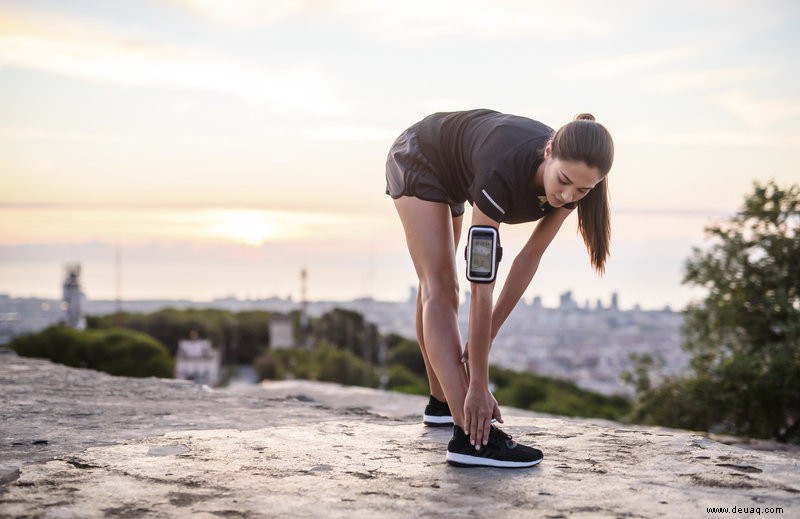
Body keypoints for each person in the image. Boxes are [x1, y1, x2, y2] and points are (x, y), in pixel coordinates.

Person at [385, 109, 614, 468]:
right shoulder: (501, 169)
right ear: (549, 151)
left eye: (582, 190)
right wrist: (477, 385)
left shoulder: (572, 188)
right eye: (564, 180)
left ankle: (442, 404)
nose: (567, 195)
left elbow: (527, 260)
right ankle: (471, 437)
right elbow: (483, 283)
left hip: (457, 172)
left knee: (437, 283)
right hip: (421, 154)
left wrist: (487, 334)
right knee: (441, 286)